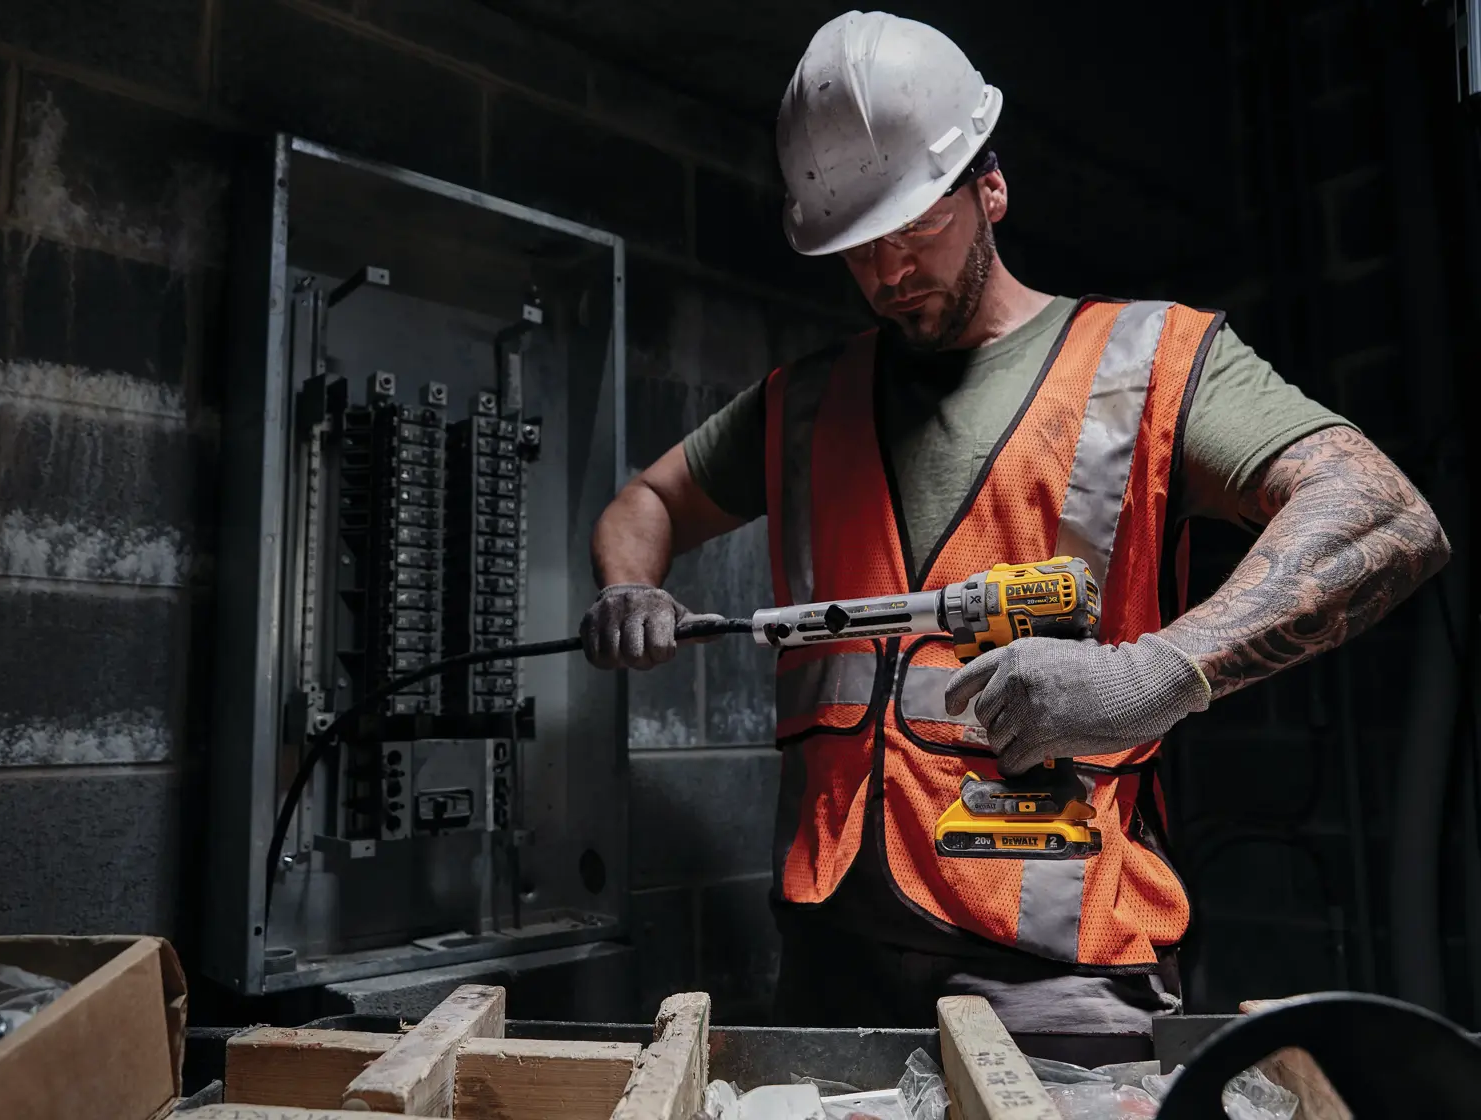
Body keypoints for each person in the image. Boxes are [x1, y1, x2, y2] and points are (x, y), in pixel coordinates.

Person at [578, 12, 1450, 1033]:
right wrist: (627, 583)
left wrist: (1158, 671)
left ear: (989, 186)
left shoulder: (1148, 362)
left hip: (1055, 973)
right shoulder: (804, 403)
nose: (888, 271)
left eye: (916, 227)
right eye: (859, 246)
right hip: (829, 961)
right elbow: (648, 499)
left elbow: (1385, 513)